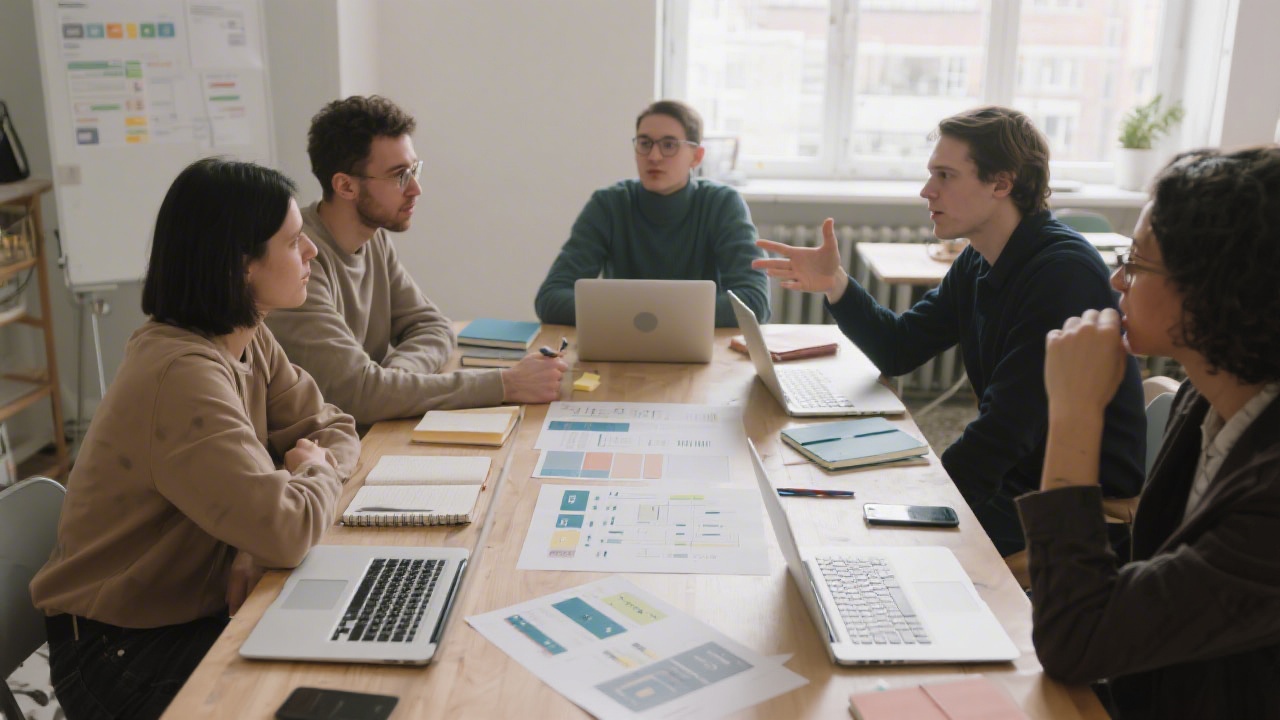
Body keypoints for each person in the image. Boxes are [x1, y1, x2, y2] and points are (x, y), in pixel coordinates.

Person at [29, 158, 361, 719]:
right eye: (294, 241)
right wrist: (310, 477)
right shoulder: (181, 374)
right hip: (120, 654)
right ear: (241, 266)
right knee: (323, 689)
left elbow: (335, 427)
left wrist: (249, 536)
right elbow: (287, 527)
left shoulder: (245, 337)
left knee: (343, 663)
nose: (312, 253)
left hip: (182, 617)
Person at [754, 106, 1145, 558]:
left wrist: (923, 499)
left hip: (1073, 509)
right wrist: (836, 284)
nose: (927, 190)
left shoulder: (1062, 274)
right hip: (1014, 482)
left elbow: (1003, 434)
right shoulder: (980, 257)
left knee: (861, 539)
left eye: (945, 175)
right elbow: (900, 348)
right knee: (847, 512)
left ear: (1002, 183)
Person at [1021, 146, 1280, 718]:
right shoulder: (1204, 394)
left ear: (1216, 287)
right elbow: (1148, 590)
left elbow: (1077, 642)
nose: (1117, 278)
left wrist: (1074, 413)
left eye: (1136, 261)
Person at [266, 96, 566, 426]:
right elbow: (360, 395)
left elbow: (433, 327)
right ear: (345, 186)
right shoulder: (301, 262)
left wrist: (394, 379)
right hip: (319, 456)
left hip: (368, 433)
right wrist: (506, 383)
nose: (416, 189)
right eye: (399, 176)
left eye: (414, 170)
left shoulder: (374, 236)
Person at [534, 99, 770, 328]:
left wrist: (640, 315)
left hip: (699, 350)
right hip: (622, 349)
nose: (654, 156)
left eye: (669, 145)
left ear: (696, 156)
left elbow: (754, 302)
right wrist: (661, 315)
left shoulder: (722, 203)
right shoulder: (609, 204)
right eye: (645, 143)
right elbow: (550, 298)